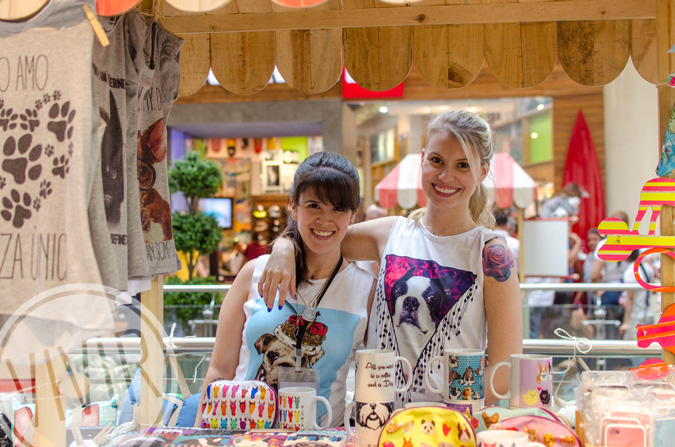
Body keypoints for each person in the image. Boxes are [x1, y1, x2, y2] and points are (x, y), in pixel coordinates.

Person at [259, 110, 523, 407]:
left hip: (449, 428)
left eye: (462, 165)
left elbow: (504, 369)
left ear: (483, 171)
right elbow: (321, 232)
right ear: (422, 158)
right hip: (377, 421)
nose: (446, 176)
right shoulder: (391, 232)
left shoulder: (488, 251)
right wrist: (283, 247)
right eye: (437, 160)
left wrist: (442, 414)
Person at [195, 152, 376, 428]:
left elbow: (375, 382)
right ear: (293, 206)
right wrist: (197, 437)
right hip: (243, 436)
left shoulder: (366, 290)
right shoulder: (252, 274)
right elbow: (219, 371)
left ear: (353, 214)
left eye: (338, 208)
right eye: (314, 205)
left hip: (321, 440)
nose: (325, 220)